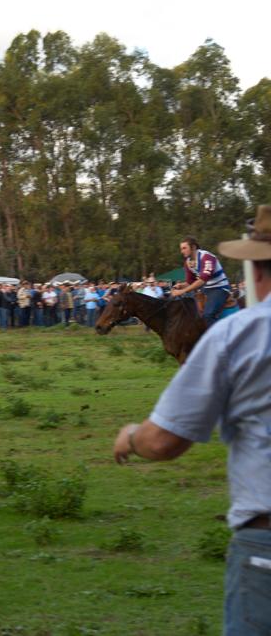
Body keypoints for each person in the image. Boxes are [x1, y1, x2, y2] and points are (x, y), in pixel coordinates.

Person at [112, 205, 271, 636]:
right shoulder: (188, 264)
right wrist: (178, 289)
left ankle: (203, 328)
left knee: (204, 315)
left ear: (256, 268)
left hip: (263, 539)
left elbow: (165, 442)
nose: (183, 251)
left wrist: (132, 436)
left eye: (185, 246)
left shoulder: (235, 329)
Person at [171, 235, 232, 327]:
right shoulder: (187, 263)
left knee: (208, 315)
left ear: (193, 247)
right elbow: (190, 282)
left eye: (184, 248)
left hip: (219, 288)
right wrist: (181, 285)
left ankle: (219, 335)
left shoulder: (207, 257)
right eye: (181, 248)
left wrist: (182, 291)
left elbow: (203, 280)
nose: (182, 251)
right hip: (206, 289)